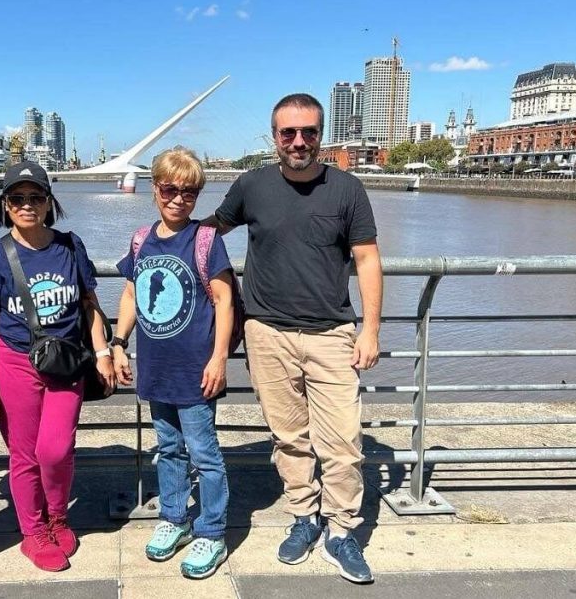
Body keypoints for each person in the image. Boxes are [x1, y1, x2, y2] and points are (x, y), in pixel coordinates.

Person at [208, 93, 383, 584]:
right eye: (289, 133)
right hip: (265, 332)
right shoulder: (251, 185)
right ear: (274, 137)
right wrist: (155, 244)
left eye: (308, 132)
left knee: (344, 442)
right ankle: (304, 517)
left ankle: (343, 530)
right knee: (289, 438)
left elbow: (367, 259)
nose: (299, 141)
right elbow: (208, 232)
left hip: (332, 333)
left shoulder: (348, 190)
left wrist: (370, 329)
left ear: (321, 135)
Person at [0, 161, 115, 572]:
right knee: (25, 455)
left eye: (36, 197)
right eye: (17, 198)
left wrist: (104, 353)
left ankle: (58, 516)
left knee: (55, 449)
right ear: (5, 205)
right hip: (15, 362)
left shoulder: (70, 246)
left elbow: (90, 305)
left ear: (49, 201)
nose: (27, 205)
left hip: (67, 361)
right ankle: (33, 531)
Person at [113, 147, 235, 580]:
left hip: (196, 369)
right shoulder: (141, 239)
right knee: (167, 449)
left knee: (205, 453)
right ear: (155, 189)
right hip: (156, 366)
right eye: (170, 189)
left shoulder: (205, 240)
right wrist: (117, 342)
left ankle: (213, 531)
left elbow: (224, 301)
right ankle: (174, 519)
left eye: (189, 192)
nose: (179, 199)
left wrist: (219, 358)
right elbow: (130, 293)